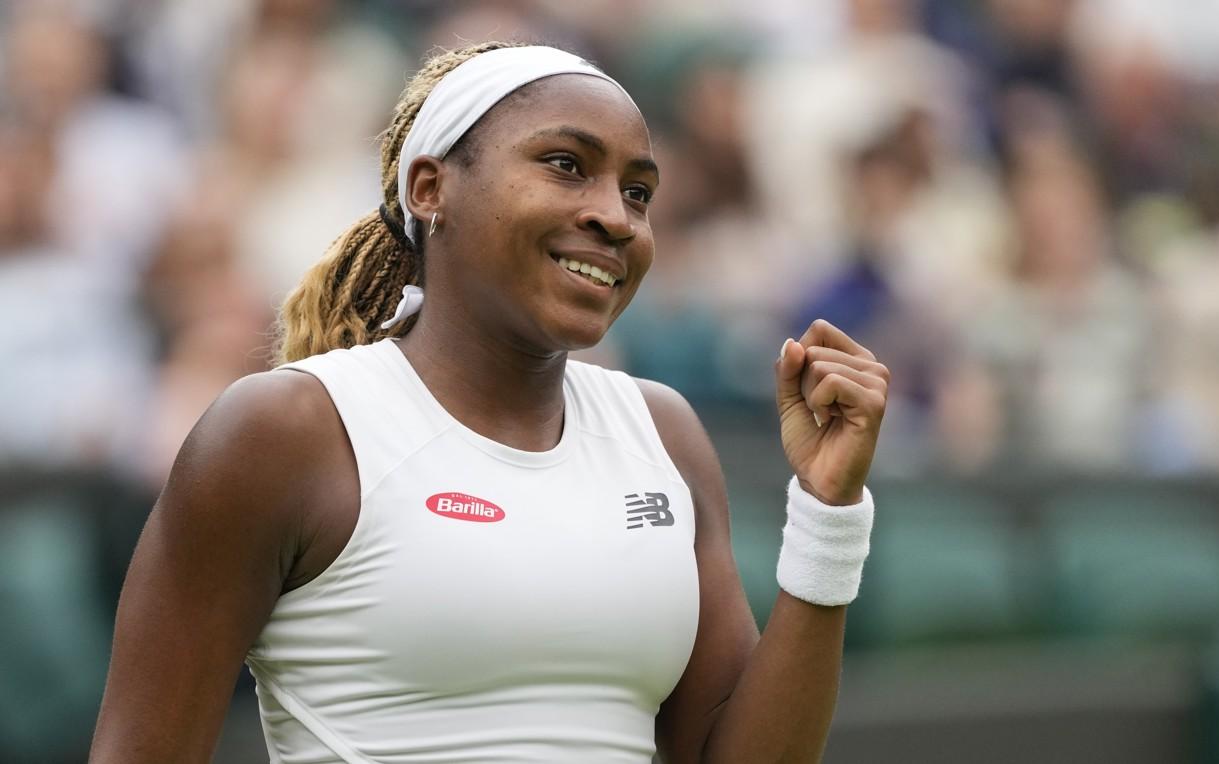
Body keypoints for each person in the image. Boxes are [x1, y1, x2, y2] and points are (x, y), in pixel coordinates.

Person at [90, 42, 890, 763]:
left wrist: (829, 512)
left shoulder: (665, 433)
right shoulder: (281, 432)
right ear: (432, 188)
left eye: (638, 192)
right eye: (567, 165)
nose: (614, 216)